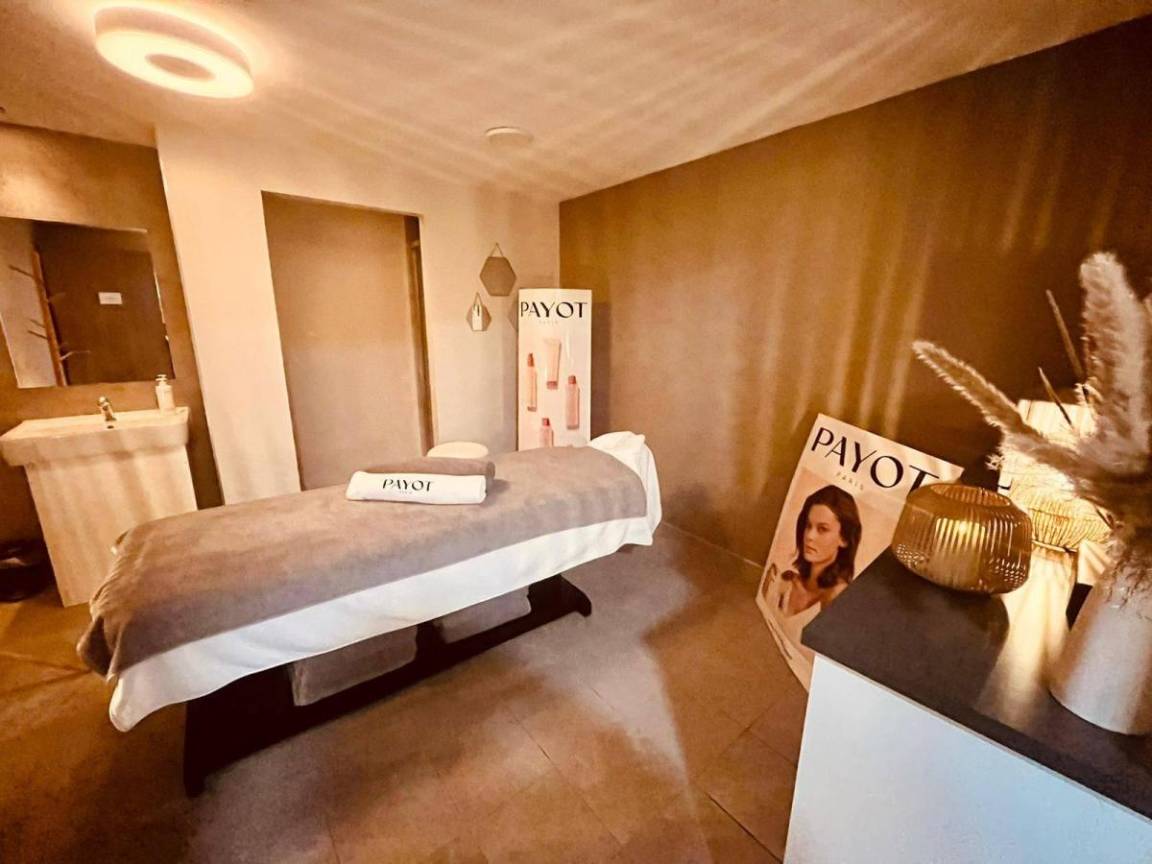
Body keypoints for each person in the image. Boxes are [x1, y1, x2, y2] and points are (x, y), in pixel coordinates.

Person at [762, 485, 862, 626]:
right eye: (808, 526)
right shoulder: (782, 579)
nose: (809, 536)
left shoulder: (838, 598)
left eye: (822, 529)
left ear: (844, 538)